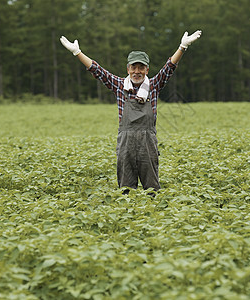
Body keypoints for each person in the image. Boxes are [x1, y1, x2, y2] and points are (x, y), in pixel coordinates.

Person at [60, 30, 202, 194]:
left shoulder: (154, 85)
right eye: (133, 67)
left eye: (141, 68)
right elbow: (97, 70)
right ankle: (127, 214)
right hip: (126, 143)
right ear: (128, 69)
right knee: (125, 189)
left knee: (152, 189)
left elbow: (169, 68)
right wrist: (77, 52)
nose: (137, 71)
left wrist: (182, 47)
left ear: (147, 70)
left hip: (147, 142)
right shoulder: (120, 86)